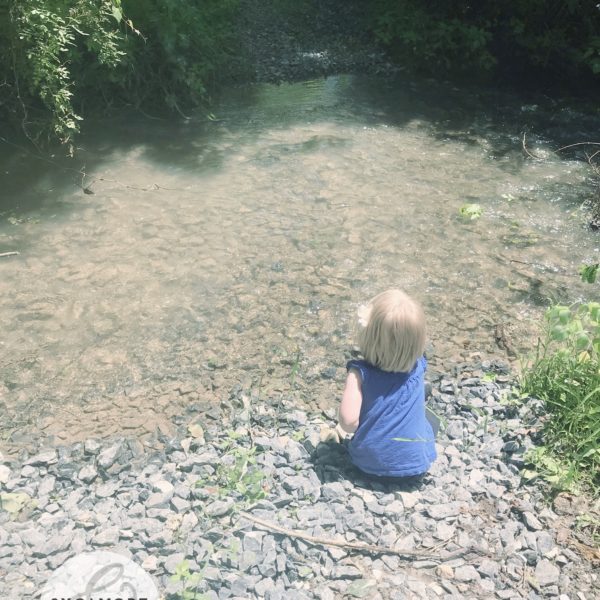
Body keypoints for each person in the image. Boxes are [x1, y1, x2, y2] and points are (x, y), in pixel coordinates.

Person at [337, 289, 437, 480]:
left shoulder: (359, 373)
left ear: (367, 337)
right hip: (417, 465)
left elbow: (349, 423)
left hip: (368, 465)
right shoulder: (419, 366)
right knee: (428, 418)